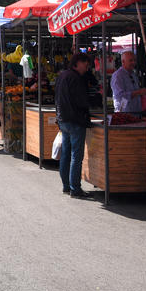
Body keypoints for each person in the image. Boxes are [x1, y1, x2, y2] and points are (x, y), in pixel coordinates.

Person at [55, 52, 93, 199]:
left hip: (63, 119)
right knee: (76, 156)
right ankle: (75, 188)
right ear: (77, 63)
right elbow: (81, 101)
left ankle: (66, 186)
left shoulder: (62, 76)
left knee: (66, 154)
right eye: (85, 64)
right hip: (75, 120)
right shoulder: (76, 79)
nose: (87, 67)